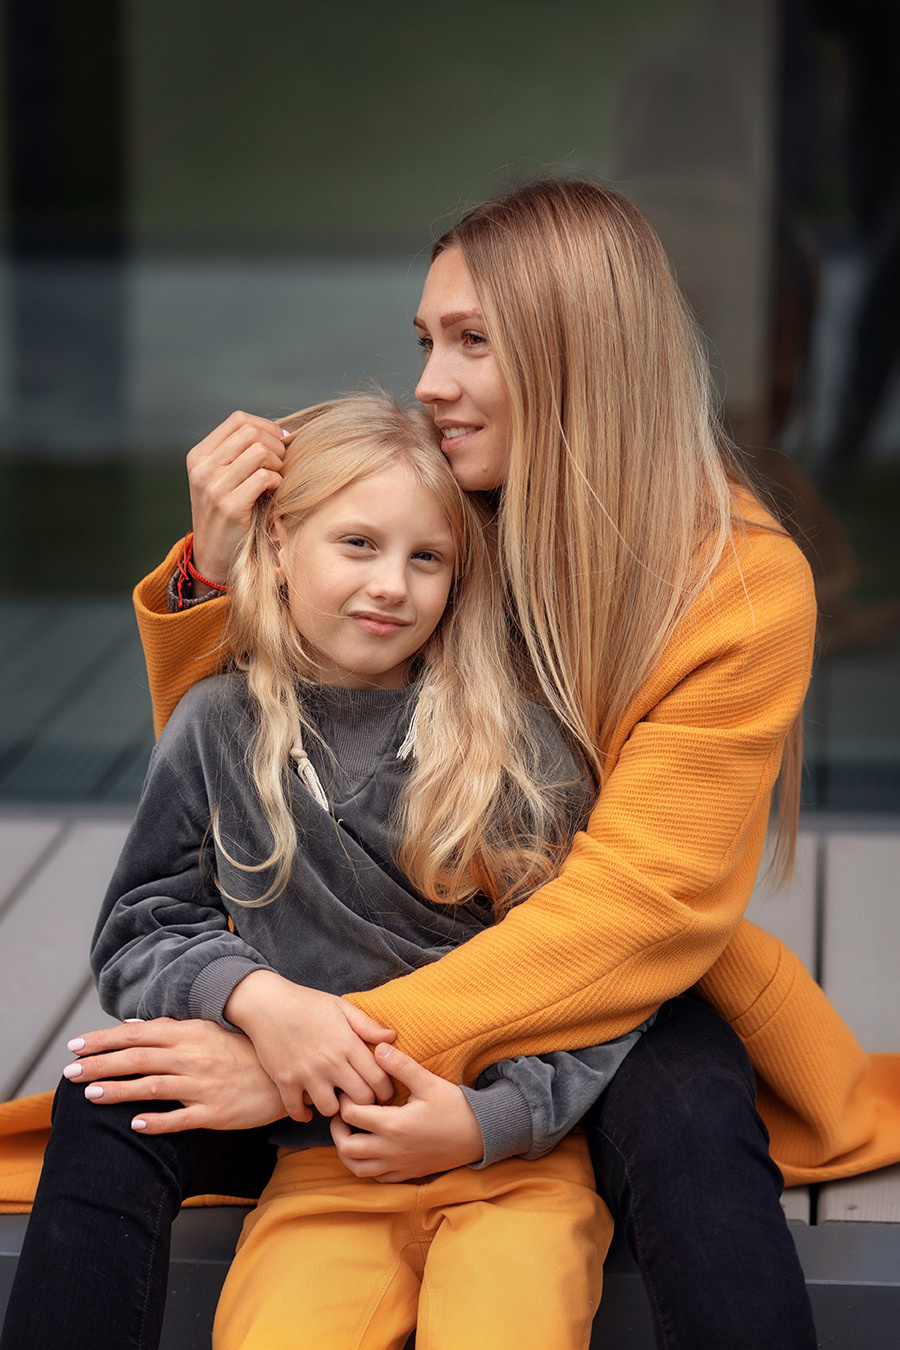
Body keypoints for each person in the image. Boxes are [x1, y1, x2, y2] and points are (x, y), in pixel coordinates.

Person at [6, 179, 900, 1348]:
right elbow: (257, 784)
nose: (430, 382)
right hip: (351, 983)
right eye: (426, 340)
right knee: (116, 1091)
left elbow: (632, 914)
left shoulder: (736, 582)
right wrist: (212, 580)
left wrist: (308, 1063)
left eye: (472, 341)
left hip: (594, 990)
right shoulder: (439, 509)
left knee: (692, 1120)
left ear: (579, 349)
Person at [3, 393, 647, 1350]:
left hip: (516, 1167)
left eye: (427, 558)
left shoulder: (514, 745)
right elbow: (142, 925)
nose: (391, 585)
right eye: (357, 544)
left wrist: (495, 1120)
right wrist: (254, 997)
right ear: (276, 548)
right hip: (323, 1169)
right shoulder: (218, 726)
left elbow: (591, 972)